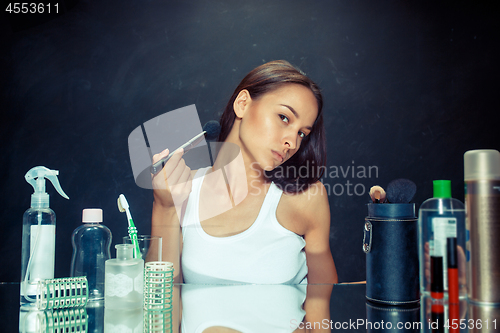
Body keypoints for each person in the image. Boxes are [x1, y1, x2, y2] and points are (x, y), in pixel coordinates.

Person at [151, 60, 338, 287]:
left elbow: (322, 309)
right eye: (284, 118)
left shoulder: (306, 198)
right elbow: (159, 304)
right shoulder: (182, 189)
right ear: (242, 104)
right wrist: (164, 207)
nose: (292, 142)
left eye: (302, 133)